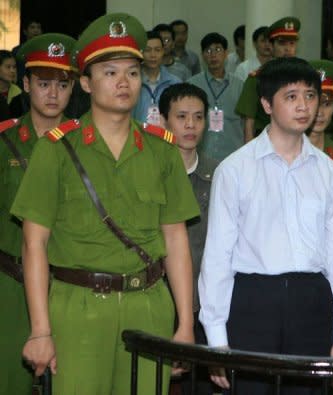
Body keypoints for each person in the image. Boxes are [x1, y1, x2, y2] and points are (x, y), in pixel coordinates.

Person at [11, 13, 199, 395]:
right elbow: (34, 243)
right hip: (77, 308)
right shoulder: (57, 150)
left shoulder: (163, 151)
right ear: (85, 82)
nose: (123, 82)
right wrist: (41, 329)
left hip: (148, 305)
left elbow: (176, 240)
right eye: (110, 72)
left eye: (131, 72)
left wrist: (184, 324)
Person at [199, 57, 333, 394]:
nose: (304, 106)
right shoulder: (235, 170)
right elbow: (217, 259)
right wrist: (217, 340)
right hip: (252, 302)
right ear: (266, 104)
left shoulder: (330, 173)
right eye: (291, 97)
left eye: (311, 96)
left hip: (312, 302)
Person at [0, 32, 75, 395]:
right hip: (10, 288)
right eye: (43, 83)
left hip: (69, 290)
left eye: (62, 84)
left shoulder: (84, 147)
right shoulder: (5, 143)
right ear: (26, 84)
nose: (52, 94)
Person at [159, 82, 217, 395]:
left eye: (198, 117)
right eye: (181, 116)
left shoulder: (220, 174)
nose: (190, 125)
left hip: (205, 305)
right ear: (163, 119)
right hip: (158, 301)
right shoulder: (149, 170)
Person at [236, 16, 300, 142]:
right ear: (271, 46)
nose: (287, 49)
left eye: (291, 43)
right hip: (266, 141)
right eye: (282, 43)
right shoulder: (257, 79)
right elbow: (249, 124)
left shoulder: (303, 79)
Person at [187, 32, 244, 161]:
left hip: (233, 156)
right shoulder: (192, 85)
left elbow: (246, 124)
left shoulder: (239, 85)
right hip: (202, 155)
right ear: (202, 55)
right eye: (208, 50)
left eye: (218, 50)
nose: (213, 55)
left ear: (226, 53)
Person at [133, 30, 181, 124]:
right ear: (140, 52)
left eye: (157, 50)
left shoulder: (175, 83)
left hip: (165, 136)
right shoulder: (132, 82)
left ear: (163, 51)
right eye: (147, 50)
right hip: (137, 136)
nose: (153, 55)